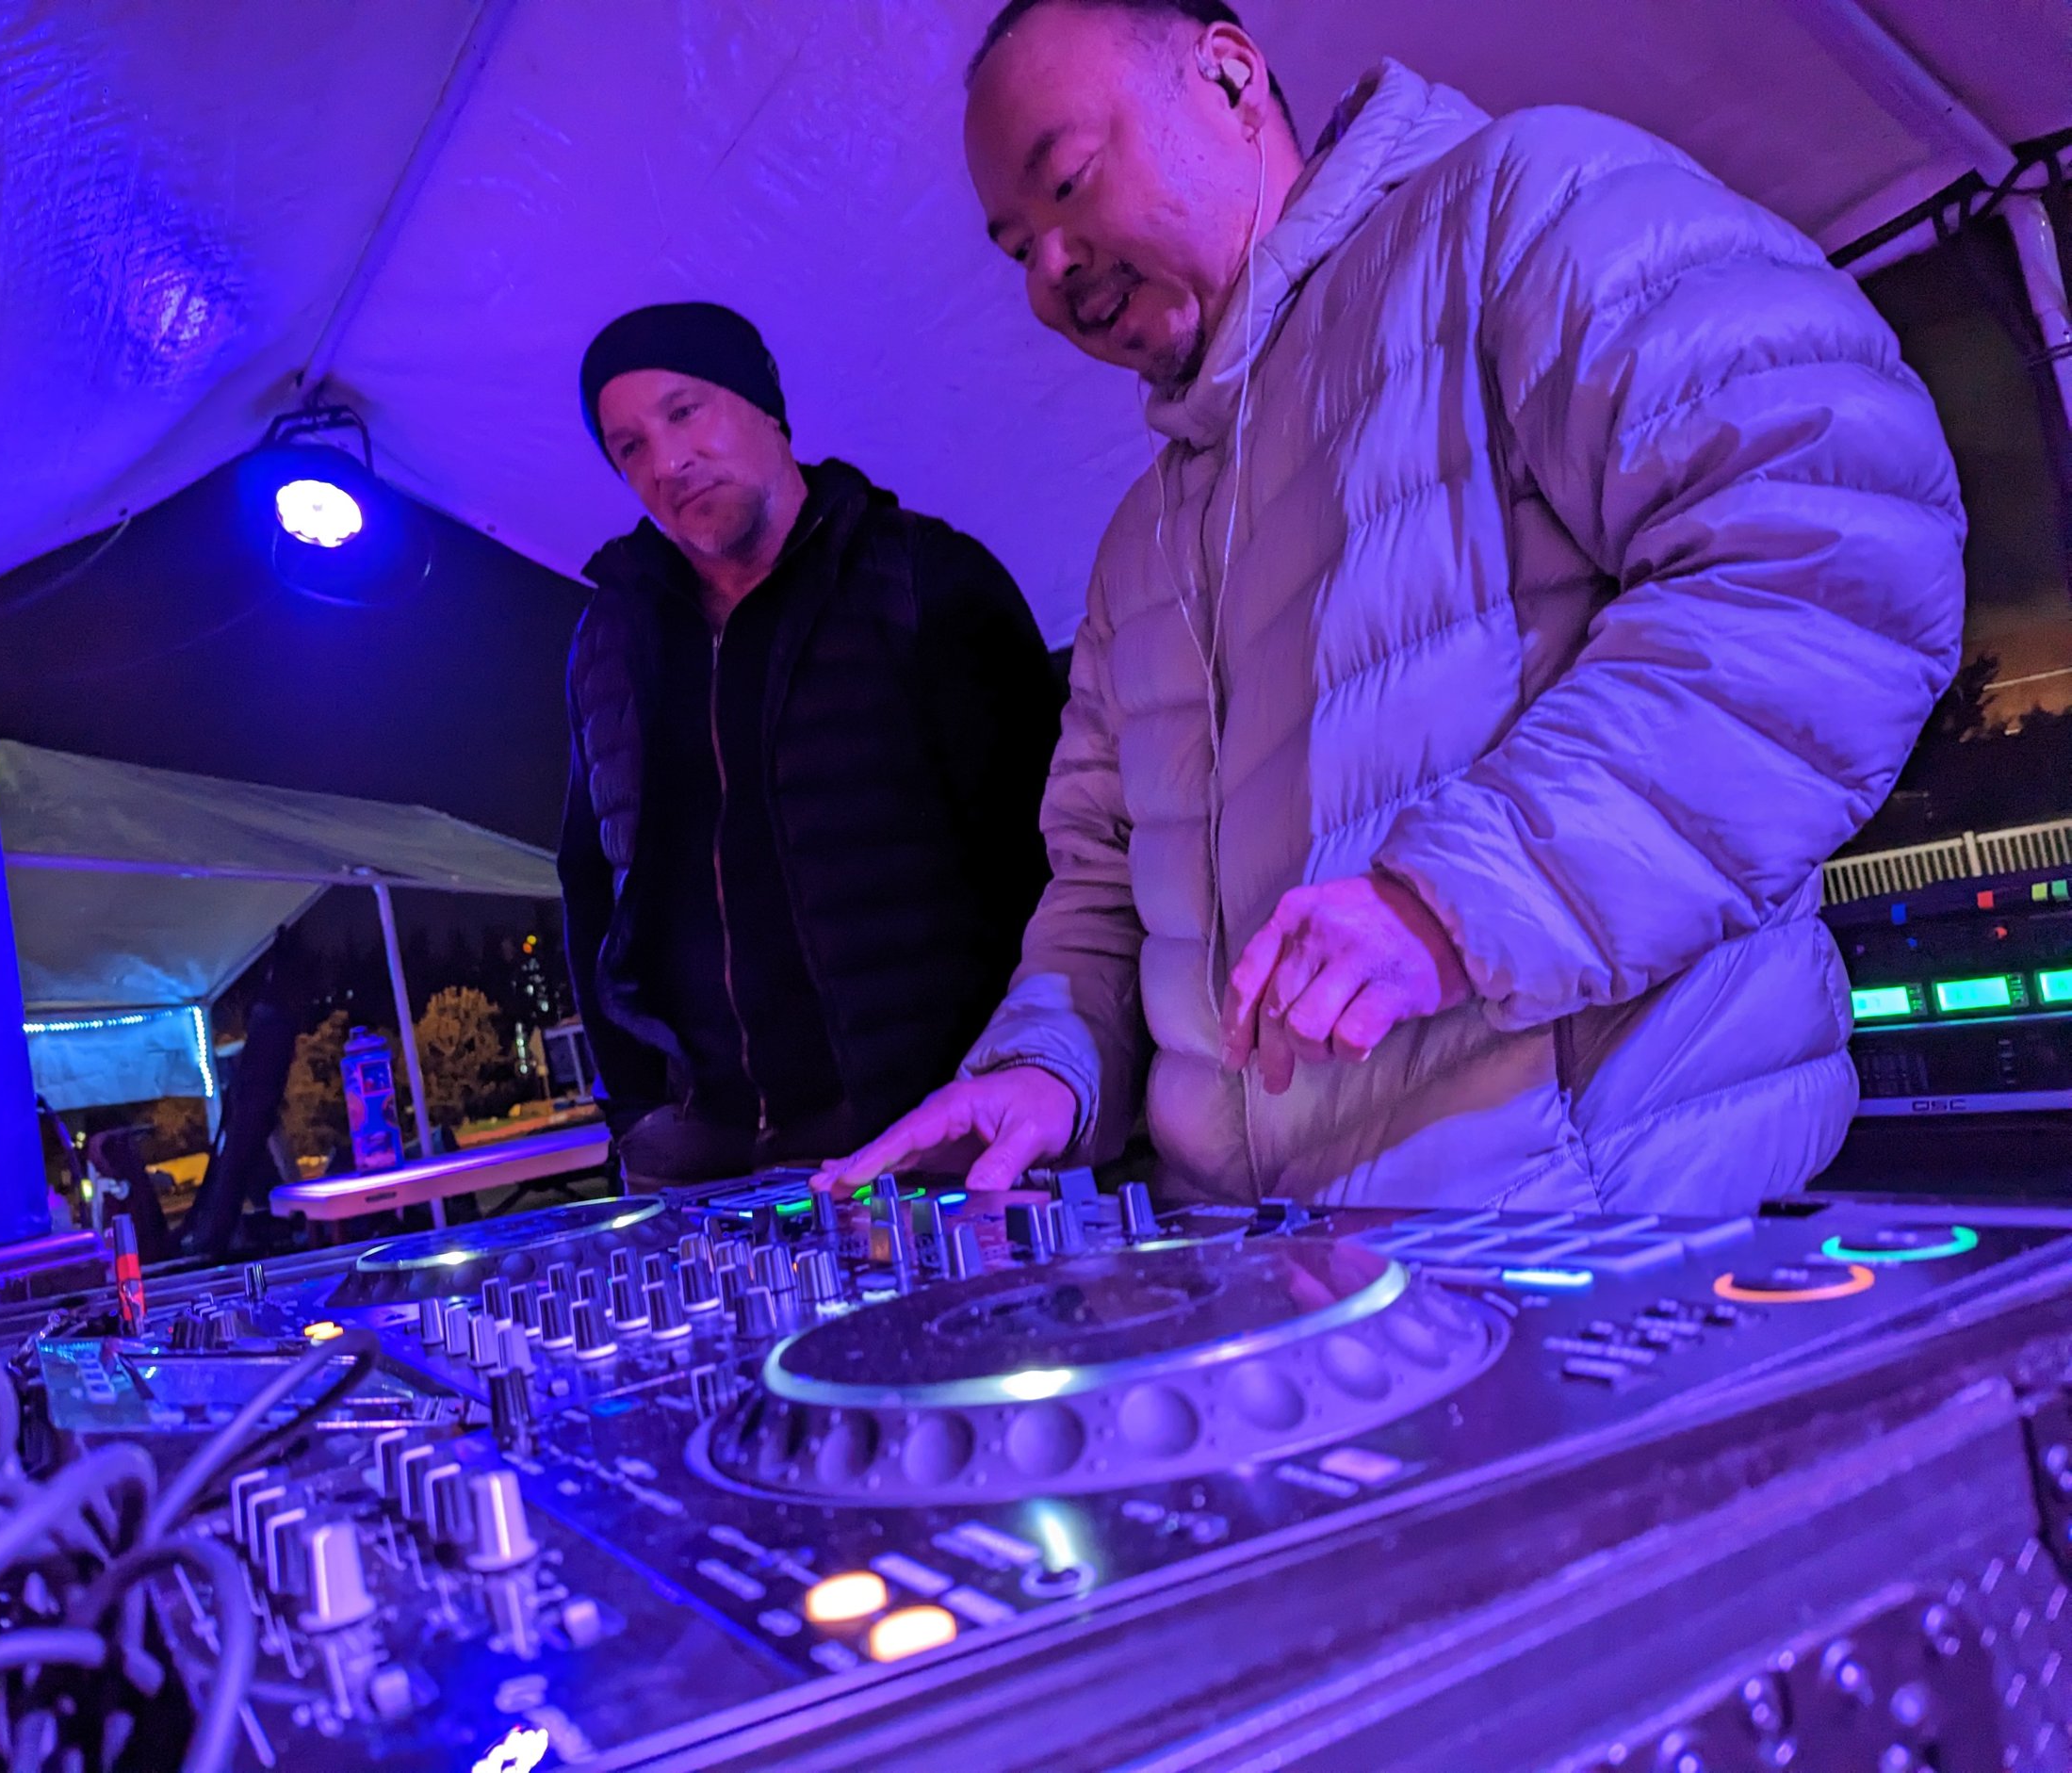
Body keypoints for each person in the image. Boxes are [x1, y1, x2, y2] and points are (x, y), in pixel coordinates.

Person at [826, 0, 1965, 1212]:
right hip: (1309, 1297)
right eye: (1015, 247)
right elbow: (1103, 884)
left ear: (1224, 77)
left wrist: (1456, 901)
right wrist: (1046, 1071)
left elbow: (1833, 545)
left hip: (1612, 1247)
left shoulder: (1518, 209)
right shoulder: (1137, 547)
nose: (1050, 269)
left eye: (1067, 184)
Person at [561, 301, 1064, 1188]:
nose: (668, 462)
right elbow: (590, 881)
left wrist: (1016, 1078)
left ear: (766, 408)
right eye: (628, 445)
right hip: (700, 1167)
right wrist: (637, 1111)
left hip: (931, 1143)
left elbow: (1052, 861)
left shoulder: (923, 579)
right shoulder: (610, 634)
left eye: (685, 411)